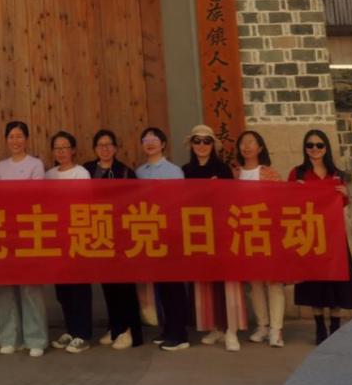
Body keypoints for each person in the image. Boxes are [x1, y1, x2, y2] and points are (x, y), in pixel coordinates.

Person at [288, 129, 352, 345]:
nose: (315, 149)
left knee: (335, 281)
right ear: (305, 149)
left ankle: (335, 326)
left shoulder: (338, 174)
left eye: (319, 145)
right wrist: (294, 191)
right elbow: (288, 202)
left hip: (333, 235)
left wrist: (345, 194)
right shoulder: (297, 174)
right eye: (310, 145)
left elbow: (344, 204)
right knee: (315, 282)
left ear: (326, 148)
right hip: (310, 235)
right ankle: (320, 326)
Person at [181, 124, 247, 352]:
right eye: (197, 141)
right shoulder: (185, 171)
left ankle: (231, 330)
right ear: (191, 145)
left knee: (227, 281)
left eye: (206, 141)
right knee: (205, 283)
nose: (202, 145)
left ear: (213, 145)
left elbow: (232, 199)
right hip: (198, 232)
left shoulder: (223, 169)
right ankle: (215, 327)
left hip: (221, 230)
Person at [0, 120, 49, 358]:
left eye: (19, 136)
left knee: (30, 286)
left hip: (28, 229)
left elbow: (35, 197)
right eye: (11, 137)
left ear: (26, 139)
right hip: (4, 231)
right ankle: (9, 338)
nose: (15, 141)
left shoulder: (36, 164)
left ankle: (36, 338)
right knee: (5, 286)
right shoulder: (0, 166)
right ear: (6, 140)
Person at [83, 129, 142, 350]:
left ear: (115, 148)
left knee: (124, 285)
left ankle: (130, 331)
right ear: (95, 149)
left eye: (109, 145)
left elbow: (135, 202)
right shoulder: (88, 170)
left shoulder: (125, 172)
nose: (105, 149)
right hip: (99, 235)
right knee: (108, 284)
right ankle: (115, 326)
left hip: (122, 235)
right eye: (101, 145)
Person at [134, 126, 190, 352]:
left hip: (170, 234)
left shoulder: (174, 171)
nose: (150, 143)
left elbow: (178, 203)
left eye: (154, 139)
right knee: (161, 286)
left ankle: (180, 334)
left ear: (163, 144)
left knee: (174, 285)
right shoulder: (139, 172)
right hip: (149, 234)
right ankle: (168, 328)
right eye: (145, 139)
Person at [235, 130, 286, 348]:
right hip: (245, 234)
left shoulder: (270, 174)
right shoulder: (234, 174)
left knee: (273, 282)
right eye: (243, 143)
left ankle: (276, 329)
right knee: (254, 283)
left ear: (260, 148)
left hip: (268, 232)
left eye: (251, 142)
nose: (246, 146)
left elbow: (282, 201)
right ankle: (262, 325)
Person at [45, 130, 93, 354]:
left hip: (77, 235)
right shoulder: (48, 175)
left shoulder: (81, 173)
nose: (61, 152)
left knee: (79, 287)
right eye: (57, 148)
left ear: (73, 150)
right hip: (57, 238)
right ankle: (71, 330)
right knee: (63, 289)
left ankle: (83, 334)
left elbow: (86, 204)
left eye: (65, 147)